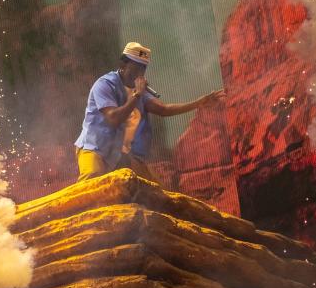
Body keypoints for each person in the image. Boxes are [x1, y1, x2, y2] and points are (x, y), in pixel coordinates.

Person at [74, 41, 224, 182]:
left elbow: (163, 109)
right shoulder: (105, 84)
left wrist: (198, 103)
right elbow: (113, 118)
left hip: (119, 154)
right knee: (92, 183)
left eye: (143, 68)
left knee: (154, 190)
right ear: (123, 64)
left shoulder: (140, 91)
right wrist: (137, 95)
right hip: (94, 148)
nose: (140, 72)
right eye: (136, 67)